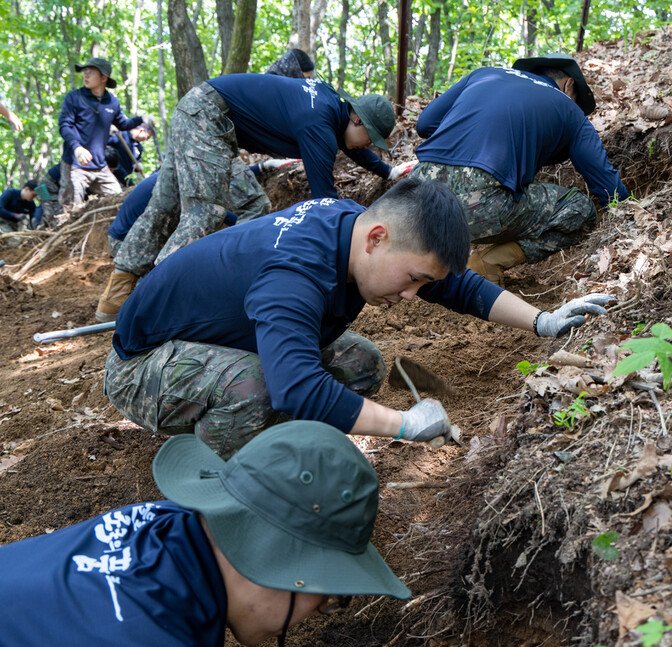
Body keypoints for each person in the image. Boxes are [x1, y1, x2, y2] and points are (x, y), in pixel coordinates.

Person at [104, 177, 610, 458]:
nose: (413, 296)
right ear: (377, 239)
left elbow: (456, 286)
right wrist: (405, 425)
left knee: (360, 363)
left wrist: (544, 321)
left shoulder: (355, 226)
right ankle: (221, 484)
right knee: (255, 387)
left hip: (223, 336)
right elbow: (298, 386)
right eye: (412, 278)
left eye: (421, 285)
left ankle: (274, 438)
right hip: (144, 365)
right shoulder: (294, 273)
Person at [0, 420, 411, 646]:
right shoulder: (152, 634)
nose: (314, 613)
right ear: (280, 561)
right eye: (328, 596)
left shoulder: (163, 525)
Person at [95, 72, 397, 322]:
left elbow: (351, 145)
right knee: (205, 211)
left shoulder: (329, 108)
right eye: (369, 138)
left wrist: (388, 173)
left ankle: (116, 296)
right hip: (207, 118)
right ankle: (151, 300)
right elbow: (324, 204)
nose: (367, 146)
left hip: (207, 115)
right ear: (356, 118)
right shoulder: (319, 123)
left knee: (217, 204)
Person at [409, 53, 629, 284]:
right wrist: (628, 214)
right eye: (576, 99)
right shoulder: (570, 111)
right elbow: (606, 184)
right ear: (569, 85)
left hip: (413, 195)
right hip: (474, 206)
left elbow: (424, 124)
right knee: (581, 209)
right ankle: (488, 262)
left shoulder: (485, 74)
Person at [106, 159, 281, 258]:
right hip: (125, 242)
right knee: (159, 278)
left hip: (139, 235)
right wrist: (253, 227)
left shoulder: (173, 173)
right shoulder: (177, 183)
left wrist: (262, 166)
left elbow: (222, 175)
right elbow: (211, 209)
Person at [58, 57, 145, 211]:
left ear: (104, 78)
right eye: (85, 72)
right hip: (75, 165)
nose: (85, 76)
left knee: (120, 202)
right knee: (70, 210)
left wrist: (142, 119)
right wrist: (76, 148)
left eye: (90, 72)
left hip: (100, 166)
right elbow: (65, 126)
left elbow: (123, 124)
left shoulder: (112, 102)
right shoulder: (74, 97)